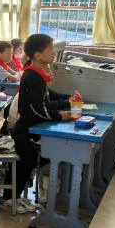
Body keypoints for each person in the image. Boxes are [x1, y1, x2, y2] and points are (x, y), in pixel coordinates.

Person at [11, 34, 73, 212]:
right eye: (51, 49)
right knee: (23, 166)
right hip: (26, 131)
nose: (53, 53)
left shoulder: (37, 76)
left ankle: (15, 197)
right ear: (37, 55)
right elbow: (40, 109)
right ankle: (8, 199)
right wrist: (60, 116)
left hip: (32, 129)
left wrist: (66, 102)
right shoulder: (32, 77)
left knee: (27, 164)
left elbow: (47, 100)